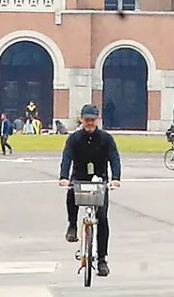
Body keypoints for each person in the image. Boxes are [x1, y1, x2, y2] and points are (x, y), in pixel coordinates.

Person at [59, 104, 121, 278]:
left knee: (102, 218)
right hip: (79, 176)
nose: (90, 123)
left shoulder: (106, 138)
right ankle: (72, 225)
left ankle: (102, 259)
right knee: (71, 194)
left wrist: (116, 178)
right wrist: (63, 177)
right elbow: (67, 157)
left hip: (100, 179)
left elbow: (114, 157)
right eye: (87, 120)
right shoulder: (74, 138)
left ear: (97, 120)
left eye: (92, 120)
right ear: (82, 119)